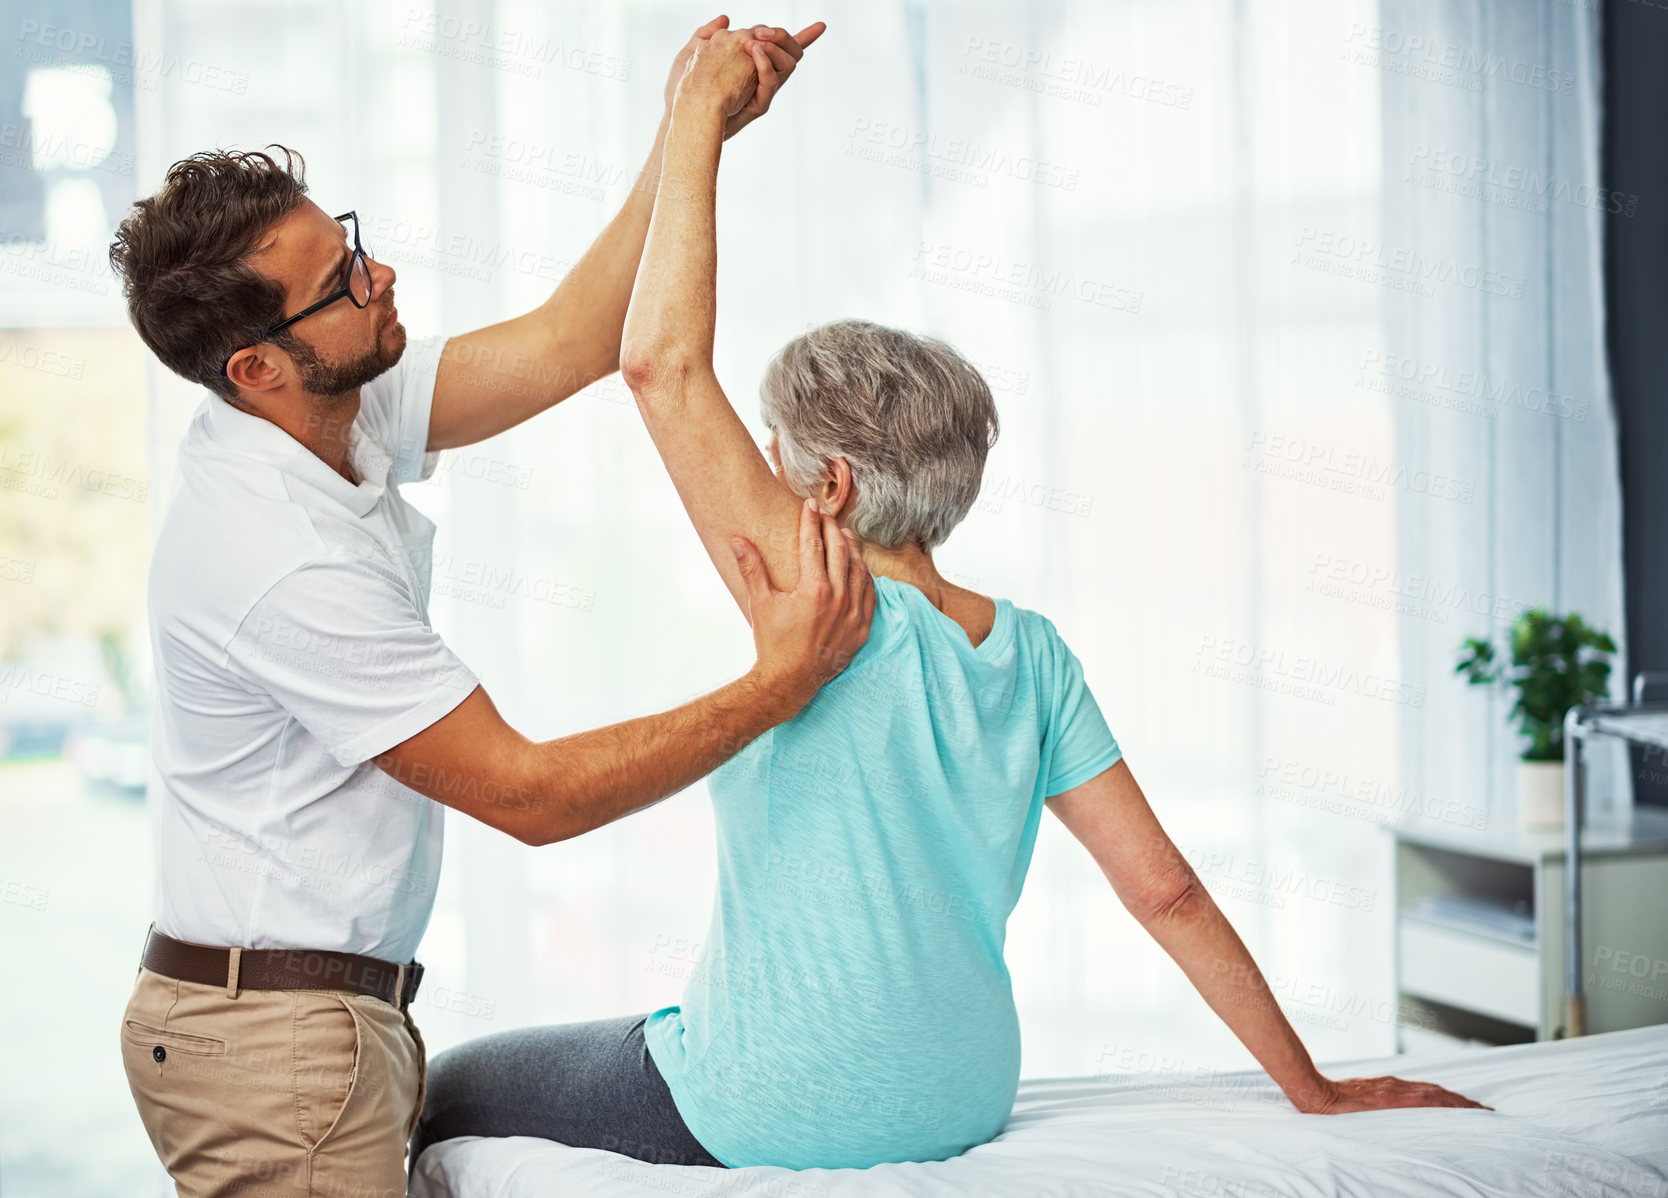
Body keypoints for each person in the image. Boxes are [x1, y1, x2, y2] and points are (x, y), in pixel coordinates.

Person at [411, 23, 1488, 1175]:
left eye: (771, 452)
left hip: (771, 1102)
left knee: (448, 1081)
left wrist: (698, 121)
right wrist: (1311, 1088)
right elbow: (1165, 890)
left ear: (827, 487)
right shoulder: (1031, 653)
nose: (757, 472)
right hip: (961, 1095)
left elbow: (660, 365)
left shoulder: (811, 592)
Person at [107, 17, 868, 1198]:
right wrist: (782, 680)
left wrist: (691, 130)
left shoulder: (327, 398)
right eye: (343, 282)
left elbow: (573, 341)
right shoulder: (274, 556)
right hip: (271, 1052)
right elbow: (529, 793)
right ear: (255, 367)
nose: (382, 276)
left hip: (310, 1021)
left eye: (352, 243)